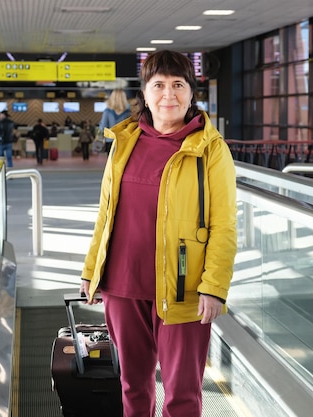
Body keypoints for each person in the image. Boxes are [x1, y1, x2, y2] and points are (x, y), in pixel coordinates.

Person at [79, 50, 238, 417]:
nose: (169, 95)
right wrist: (92, 271)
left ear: (191, 93)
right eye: (159, 85)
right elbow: (106, 213)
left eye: (178, 85)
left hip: (183, 288)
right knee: (133, 386)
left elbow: (224, 225)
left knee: (182, 393)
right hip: (122, 283)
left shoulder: (210, 149)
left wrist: (214, 286)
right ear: (145, 94)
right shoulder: (125, 142)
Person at [99, 88, 131, 153]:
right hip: (124, 142)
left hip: (110, 141)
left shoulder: (107, 112)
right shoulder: (128, 113)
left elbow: (103, 128)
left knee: (111, 162)